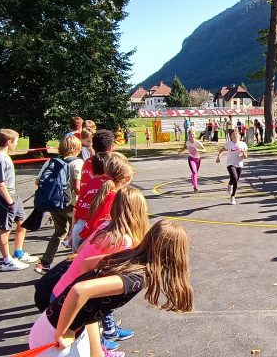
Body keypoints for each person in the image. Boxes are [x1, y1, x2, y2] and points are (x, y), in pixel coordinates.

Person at [28, 220, 193, 357]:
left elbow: (86, 265)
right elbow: (80, 290)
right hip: (52, 335)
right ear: (174, 255)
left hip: (60, 326)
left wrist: (92, 343)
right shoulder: (135, 278)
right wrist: (62, 332)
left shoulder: (128, 256)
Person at [54, 186, 149, 352]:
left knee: (91, 332)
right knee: (82, 343)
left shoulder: (106, 225)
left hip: (62, 290)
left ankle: (103, 343)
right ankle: (104, 342)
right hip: (70, 299)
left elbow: (81, 247)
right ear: (140, 212)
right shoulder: (123, 241)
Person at [34, 136, 84, 274]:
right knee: (80, 233)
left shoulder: (51, 161)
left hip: (54, 203)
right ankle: (78, 265)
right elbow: (78, 186)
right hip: (71, 204)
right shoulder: (77, 162)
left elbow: (38, 181)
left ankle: (44, 262)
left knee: (60, 231)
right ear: (78, 148)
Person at [0, 129, 39, 271]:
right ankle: (7, 261)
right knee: (5, 229)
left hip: (13, 196)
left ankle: (18, 253)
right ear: (9, 142)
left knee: (23, 223)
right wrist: (10, 201)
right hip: (5, 198)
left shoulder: (5, 156)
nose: (17, 144)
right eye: (16, 141)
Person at [77, 153, 134, 247]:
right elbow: (102, 222)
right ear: (127, 179)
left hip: (88, 237)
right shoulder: (114, 197)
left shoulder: (104, 191)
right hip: (94, 240)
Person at [70, 153, 109, 253]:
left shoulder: (89, 183)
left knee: (76, 262)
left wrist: (72, 232)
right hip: (97, 229)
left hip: (79, 228)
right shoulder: (109, 184)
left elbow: (76, 210)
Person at [216, 130, 248, 205]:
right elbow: (221, 150)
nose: (235, 135)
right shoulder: (228, 144)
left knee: (236, 180)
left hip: (239, 164)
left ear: (239, 136)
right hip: (230, 164)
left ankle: (232, 196)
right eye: (233, 134)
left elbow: (246, 156)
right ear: (231, 137)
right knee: (234, 177)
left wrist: (243, 154)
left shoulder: (243, 144)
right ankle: (230, 185)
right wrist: (218, 157)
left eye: (236, 134)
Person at [181, 127, 206, 193]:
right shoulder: (187, 142)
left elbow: (205, 150)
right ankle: (195, 187)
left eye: (193, 134)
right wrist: (179, 151)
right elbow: (184, 147)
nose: (192, 136)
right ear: (188, 135)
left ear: (195, 135)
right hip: (191, 159)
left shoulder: (198, 143)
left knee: (195, 173)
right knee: (195, 172)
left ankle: (193, 178)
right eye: (190, 134)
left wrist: (198, 150)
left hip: (198, 159)